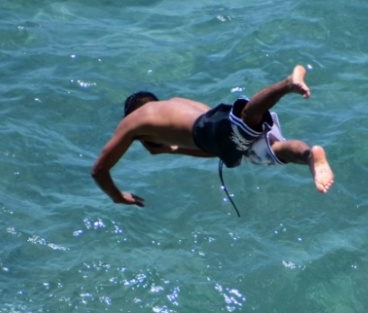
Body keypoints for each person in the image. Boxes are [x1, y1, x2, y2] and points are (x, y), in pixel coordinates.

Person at [91, 65, 333, 210]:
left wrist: (117, 196)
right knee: (277, 149)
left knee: (249, 116)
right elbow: (214, 145)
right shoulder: (176, 103)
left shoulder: (133, 121)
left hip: (209, 128)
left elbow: (99, 169)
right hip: (214, 128)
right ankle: (311, 155)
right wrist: (172, 150)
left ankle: (287, 84)